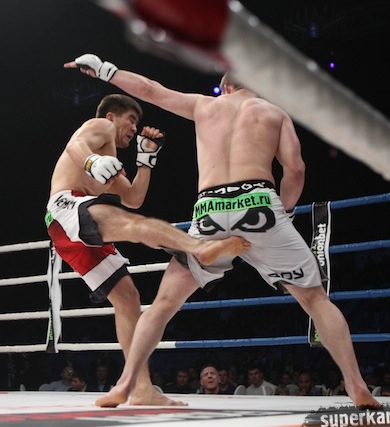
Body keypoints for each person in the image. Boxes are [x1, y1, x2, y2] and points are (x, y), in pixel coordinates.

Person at [65, 53, 381, 409]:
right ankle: (356, 386)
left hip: (210, 210)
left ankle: (125, 385)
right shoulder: (275, 113)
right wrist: (286, 212)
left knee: (164, 304)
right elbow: (295, 170)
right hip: (260, 204)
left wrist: (106, 70)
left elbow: (150, 90)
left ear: (225, 87)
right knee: (315, 299)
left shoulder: (206, 106)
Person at [45, 93, 249, 406]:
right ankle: (198, 247)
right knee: (133, 225)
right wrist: (92, 161)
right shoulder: (100, 126)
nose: (134, 127)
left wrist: (146, 158)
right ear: (112, 116)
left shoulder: (110, 161)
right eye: (131, 119)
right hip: (67, 204)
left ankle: (141, 388)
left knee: (128, 298)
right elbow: (76, 145)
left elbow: (133, 197)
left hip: (69, 227)